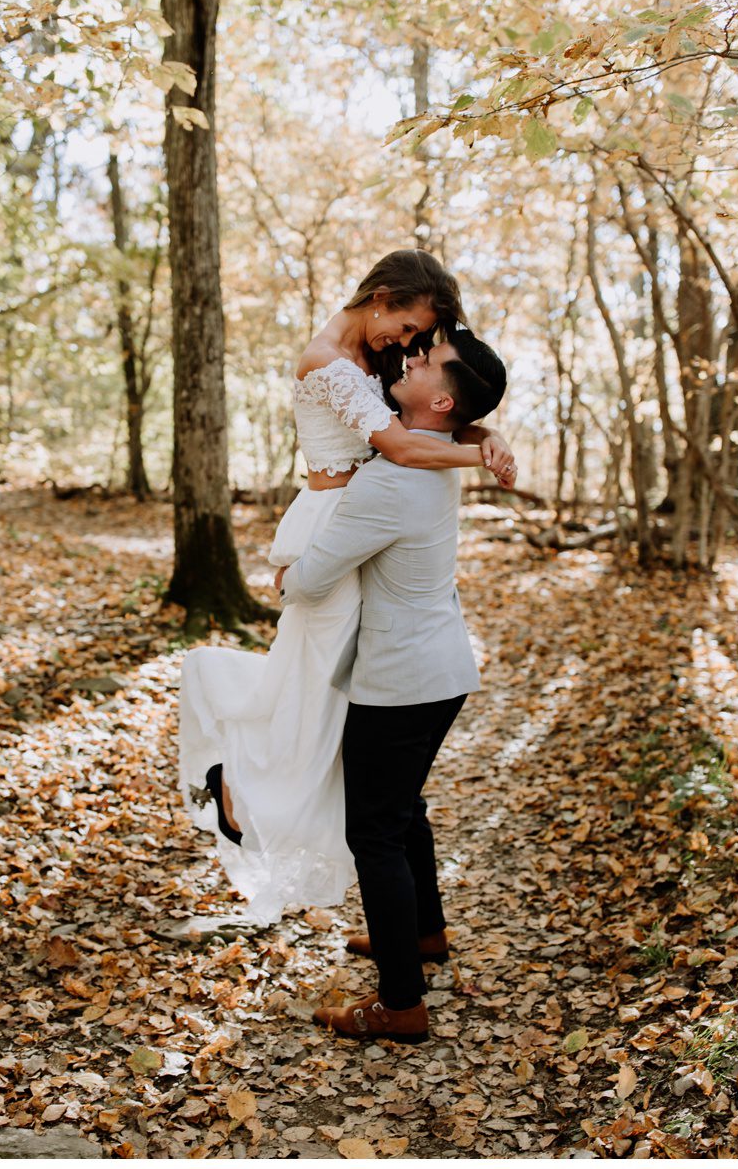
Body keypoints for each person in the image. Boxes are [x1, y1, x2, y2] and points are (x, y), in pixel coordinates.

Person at [177, 250, 515, 923]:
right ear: (381, 297)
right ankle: (239, 791)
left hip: (366, 528)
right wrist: (480, 454)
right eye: (407, 328)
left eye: (419, 340)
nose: (408, 345)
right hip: (337, 523)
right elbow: (403, 447)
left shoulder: (382, 358)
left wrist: (488, 429)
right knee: (313, 686)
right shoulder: (326, 361)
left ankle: (403, 910)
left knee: (330, 697)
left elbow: (437, 416)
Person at [275, 327, 509, 1042]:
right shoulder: (426, 460)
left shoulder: (391, 481)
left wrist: (285, 574)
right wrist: (483, 432)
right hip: (434, 665)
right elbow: (424, 414)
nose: (407, 357)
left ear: (438, 397)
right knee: (402, 811)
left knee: (373, 830)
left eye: (424, 359)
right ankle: (423, 935)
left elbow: (312, 577)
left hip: (403, 678)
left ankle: (401, 1003)